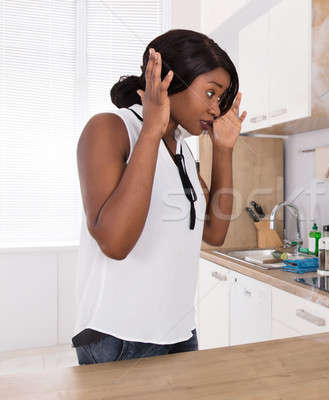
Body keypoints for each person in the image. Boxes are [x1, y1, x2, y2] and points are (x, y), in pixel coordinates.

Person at [73, 29, 246, 365]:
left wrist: (223, 150)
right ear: (169, 80)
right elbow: (115, 243)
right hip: (119, 339)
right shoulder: (110, 128)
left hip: (179, 333)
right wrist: (152, 128)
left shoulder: (181, 149)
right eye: (211, 93)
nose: (215, 108)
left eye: (220, 99)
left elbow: (214, 233)